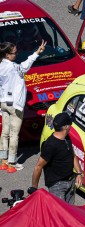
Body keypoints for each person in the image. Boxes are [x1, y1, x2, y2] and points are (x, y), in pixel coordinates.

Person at [0, 40, 46, 173]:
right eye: (15, 53)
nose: (16, 54)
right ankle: (12, 163)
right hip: (15, 105)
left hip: (3, 102)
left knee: (5, 132)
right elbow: (25, 67)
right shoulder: (13, 68)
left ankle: (3, 161)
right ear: (7, 55)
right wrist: (36, 53)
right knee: (14, 135)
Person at [29, 112, 83, 204]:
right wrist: (34, 189)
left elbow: (72, 155)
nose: (71, 126)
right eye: (70, 124)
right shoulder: (50, 145)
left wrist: (79, 173)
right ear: (65, 127)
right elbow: (38, 166)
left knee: (70, 213)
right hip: (57, 186)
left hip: (71, 181)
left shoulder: (67, 137)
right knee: (60, 214)